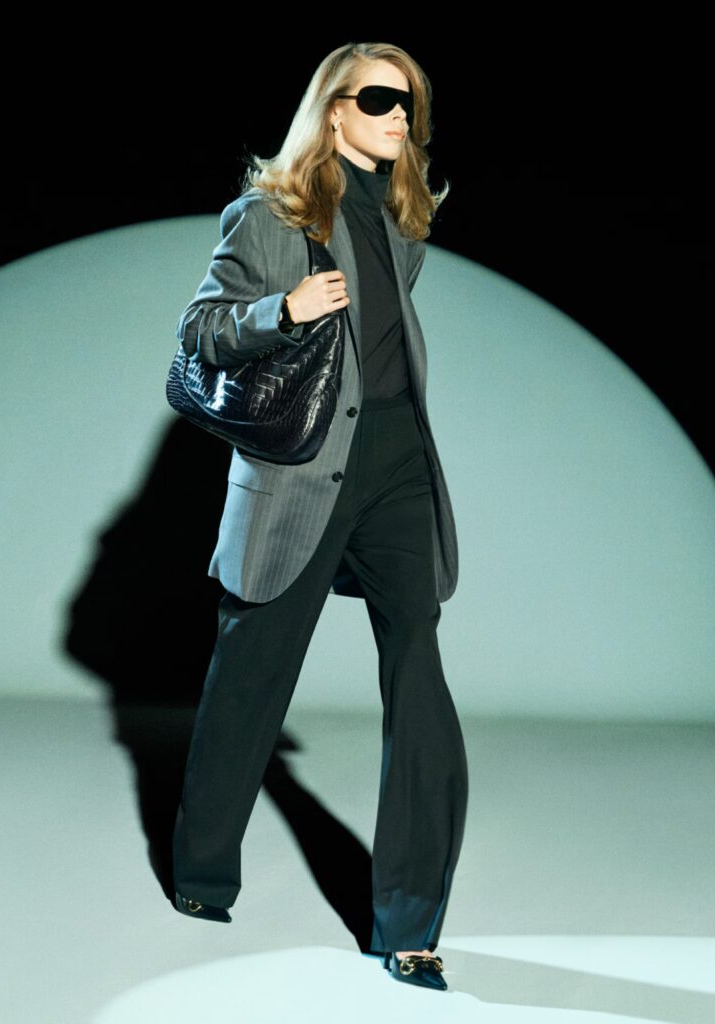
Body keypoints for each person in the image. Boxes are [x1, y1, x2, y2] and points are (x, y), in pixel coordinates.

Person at [171, 41, 468, 992]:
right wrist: (285, 311)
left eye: (407, 102)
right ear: (333, 110)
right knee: (250, 674)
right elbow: (199, 334)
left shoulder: (405, 223)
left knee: (418, 668)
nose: (397, 115)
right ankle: (201, 870)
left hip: (398, 467)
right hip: (301, 473)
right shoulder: (269, 217)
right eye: (378, 98)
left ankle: (410, 924)